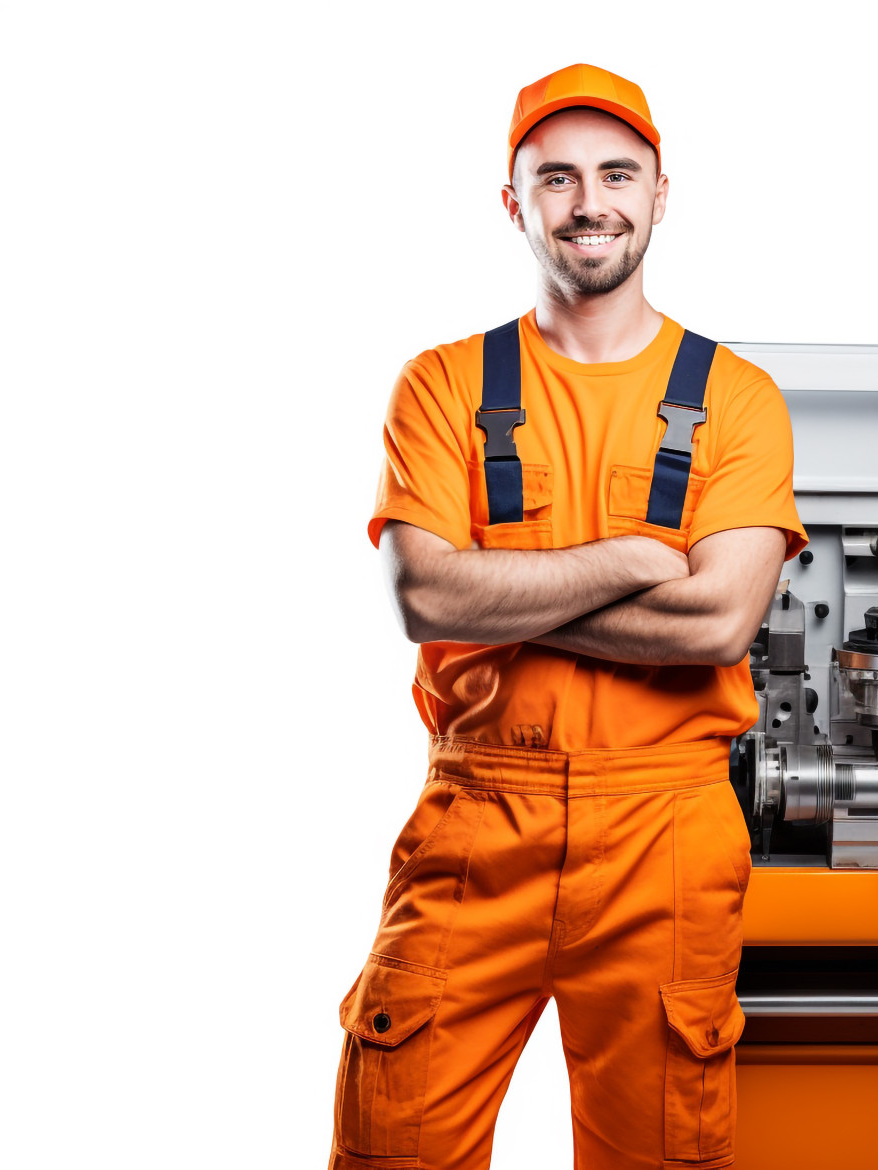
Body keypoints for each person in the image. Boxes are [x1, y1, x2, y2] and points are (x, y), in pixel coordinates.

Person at [328, 63, 808, 1170]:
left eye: (616, 174)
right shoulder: (443, 386)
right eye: (557, 177)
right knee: (392, 1142)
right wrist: (633, 560)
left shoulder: (737, 400)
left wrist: (496, 595)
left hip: (665, 831)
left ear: (659, 193)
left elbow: (715, 625)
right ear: (514, 202)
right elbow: (422, 596)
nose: (590, 202)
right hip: (477, 819)